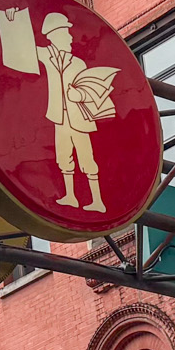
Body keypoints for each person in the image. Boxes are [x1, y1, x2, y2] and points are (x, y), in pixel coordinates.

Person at [39, 11, 113, 212]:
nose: (71, 38)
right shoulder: (46, 55)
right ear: (54, 35)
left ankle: (97, 200)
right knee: (63, 157)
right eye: (66, 33)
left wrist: (78, 95)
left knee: (86, 157)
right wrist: (12, 23)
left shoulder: (78, 63)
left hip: (79, 118)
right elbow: (24, 51)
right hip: (60, 117)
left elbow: (88, 87)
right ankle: (70, 196)